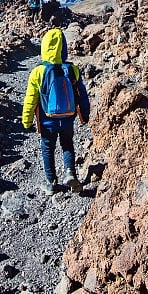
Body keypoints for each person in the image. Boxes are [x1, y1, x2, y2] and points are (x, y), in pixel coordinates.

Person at [22, 28, 91, 195]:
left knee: (47, 147)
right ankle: (70, 173)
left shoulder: (38, 72)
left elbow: (31, 99)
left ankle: (51, 182)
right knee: (67, 144)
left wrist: (26, 121)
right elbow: (81, 94)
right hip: (68, 118)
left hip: (47, 121)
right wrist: (85, 114)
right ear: (64, 48)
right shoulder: (72, 69)